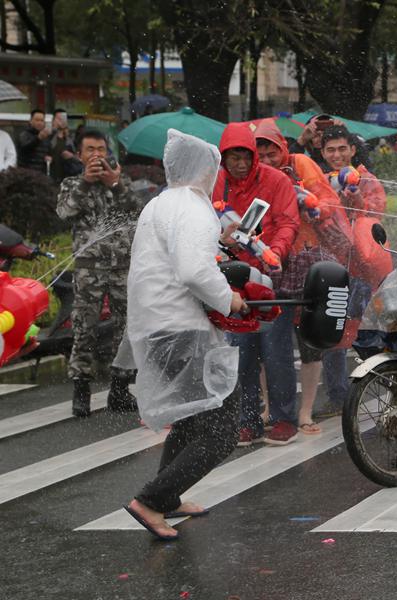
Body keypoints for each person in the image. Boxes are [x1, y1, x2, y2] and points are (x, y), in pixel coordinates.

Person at [123, 129, 247, 541]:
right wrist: (229, 299)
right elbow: (194, 272)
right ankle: (151, 500)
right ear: (205, 171)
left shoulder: (160, 203)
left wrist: (218, 249)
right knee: (224, 428)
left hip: (155, 325)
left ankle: (168, 495)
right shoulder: (193, 207)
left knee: (193, 417)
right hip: (180, 327)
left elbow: (176, 260)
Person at [253, 118, 346, 431]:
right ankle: (270, 407)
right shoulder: (252, 176)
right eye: (260, 156)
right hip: (269, 260)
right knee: (267, 339)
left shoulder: (300, 163)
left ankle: (305, 411)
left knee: (310, 339)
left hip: (307, 257)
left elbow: (329, 201)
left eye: (272, 153)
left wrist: (310, 203)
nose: (267, 160)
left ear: (283, 147)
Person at [213, 123, 301, 446]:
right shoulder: (217, 182)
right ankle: (246, 419)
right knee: (240, 352)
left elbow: (288, 221)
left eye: (244, 157)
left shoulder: (276, 180)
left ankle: (284, 418)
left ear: (253, 156)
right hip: (232, 276)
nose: (240, 164)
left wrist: (275, 251)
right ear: (223, 159)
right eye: (232, 158)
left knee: (275, 350)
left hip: (269, 276)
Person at [56, 129, 141, 417]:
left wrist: (114, 184)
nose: (96, 155)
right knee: (84, 328)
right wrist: (85, 182)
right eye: (90, 150)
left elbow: (139, 212)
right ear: (79, 155)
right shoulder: (71, 184)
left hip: (121, 266)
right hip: (89, 269)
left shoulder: (119, 181)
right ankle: (81, 390)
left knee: (126, 327)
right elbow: (64, 213)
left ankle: (120, 389)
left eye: (101, 149)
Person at [318, 124, 392, 419]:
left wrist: (356, 198)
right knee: (332, 331)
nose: (336, 155)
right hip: (333, 267)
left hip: (364, 270)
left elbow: (376, 216)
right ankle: (337, 396)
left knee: (368, 331)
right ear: (322, 153)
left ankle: (389, 384)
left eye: (342, 149)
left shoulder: (366, 179)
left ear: (352, 149)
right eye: (330, 150)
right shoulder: (321, 181)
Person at [49, 109, 80, 183]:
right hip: (50, 178)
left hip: (66, 178)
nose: (62, 121)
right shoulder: (47, 137)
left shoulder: (70, 140)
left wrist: (71, 156)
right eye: (59, 119)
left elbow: (78, 159)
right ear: (53, 120)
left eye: (64, 118)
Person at [18, 108, 51, 173]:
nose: (39, 123)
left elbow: (49, 151)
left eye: (42, 120)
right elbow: (25, 148)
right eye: (37, 120)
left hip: (41, 173)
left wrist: (50, 158)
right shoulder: (24, 134)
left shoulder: (46, 137)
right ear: (31, 121)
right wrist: (38, 138)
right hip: (27, 172)